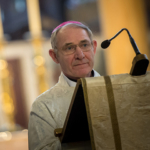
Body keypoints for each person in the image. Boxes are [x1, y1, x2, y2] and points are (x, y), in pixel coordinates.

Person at [28, 21, 100, 150]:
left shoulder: (119, 91)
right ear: (55, 56)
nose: (80, 55)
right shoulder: (43, 106)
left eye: (84, 45)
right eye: (69, 48)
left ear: (94, 47)